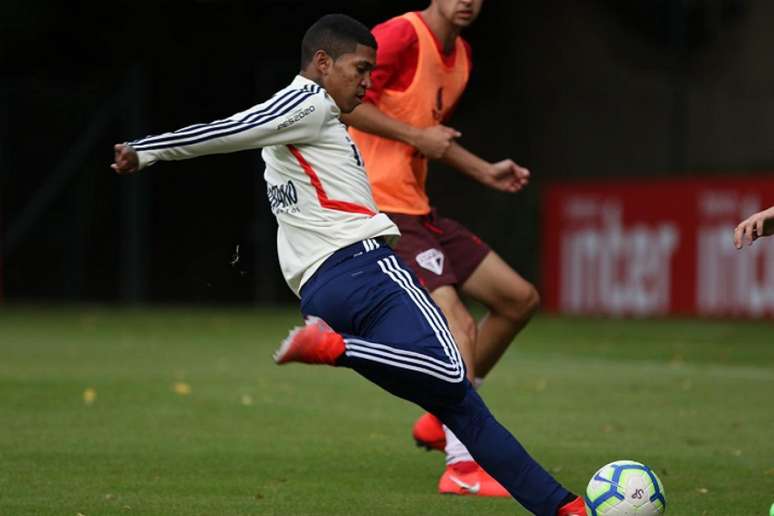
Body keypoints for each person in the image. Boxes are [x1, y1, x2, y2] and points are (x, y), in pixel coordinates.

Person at [111, 14, 585, 516]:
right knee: (452, 370)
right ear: (322, 63)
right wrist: (148, 151)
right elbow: (234, 128)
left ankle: (563, 509)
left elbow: (244, 129)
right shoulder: (308, 101)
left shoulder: (310, 115)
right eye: (360, 68)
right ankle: (339, 349)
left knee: (460, 404)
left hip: (324, 290)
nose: (367, 80)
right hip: (368, 270)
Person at [343, 0, 538, 496]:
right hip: (380, 206)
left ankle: (442, 414)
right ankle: (463, 466)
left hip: (416, 206)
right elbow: (344, 101)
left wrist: (483, 170)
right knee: (459, 322)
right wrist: (415, 135)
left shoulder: (463, 58)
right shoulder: (399, 37)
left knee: (518, 299)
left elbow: (430, 139)